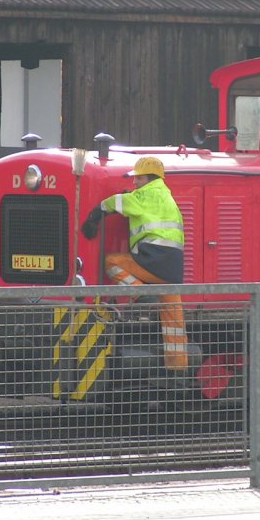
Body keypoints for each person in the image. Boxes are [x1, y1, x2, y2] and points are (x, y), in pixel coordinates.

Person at [81, 156, 189, 371]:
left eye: (138, 179)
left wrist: (95, 214)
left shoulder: (145, 195)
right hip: (172, 269)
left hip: (152, 261)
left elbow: (116, 203)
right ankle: (178, 369)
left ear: (150, 178)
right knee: (173, 319)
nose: (134, 183)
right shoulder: (167, 197)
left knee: (112, 262)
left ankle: (139, 293)